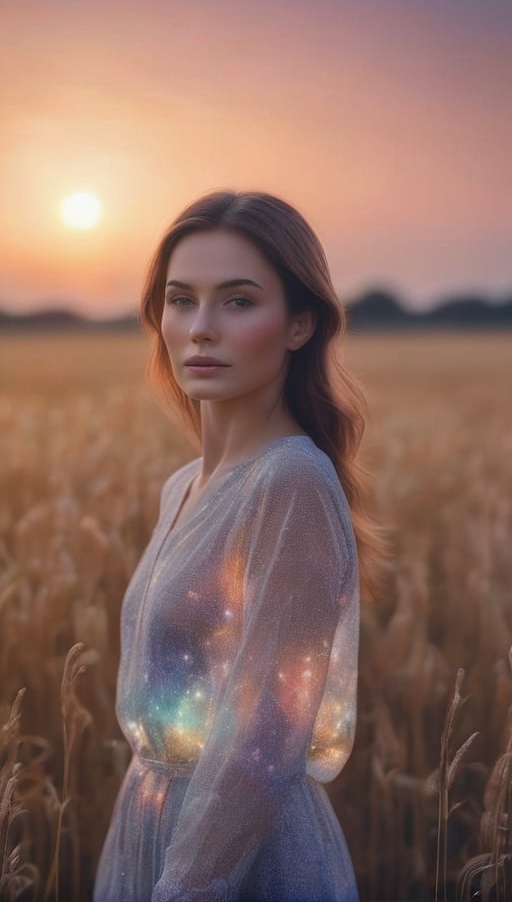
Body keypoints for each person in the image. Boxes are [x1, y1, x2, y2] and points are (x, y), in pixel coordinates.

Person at [94, 190, 384, 902]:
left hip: (235, 859)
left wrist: (188, 887)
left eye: (238, 301)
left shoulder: (290, 480)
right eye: (181, 300)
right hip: (150, 822)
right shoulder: (183, 485)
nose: (199, 329)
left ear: (300, 324)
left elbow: (265, 736)